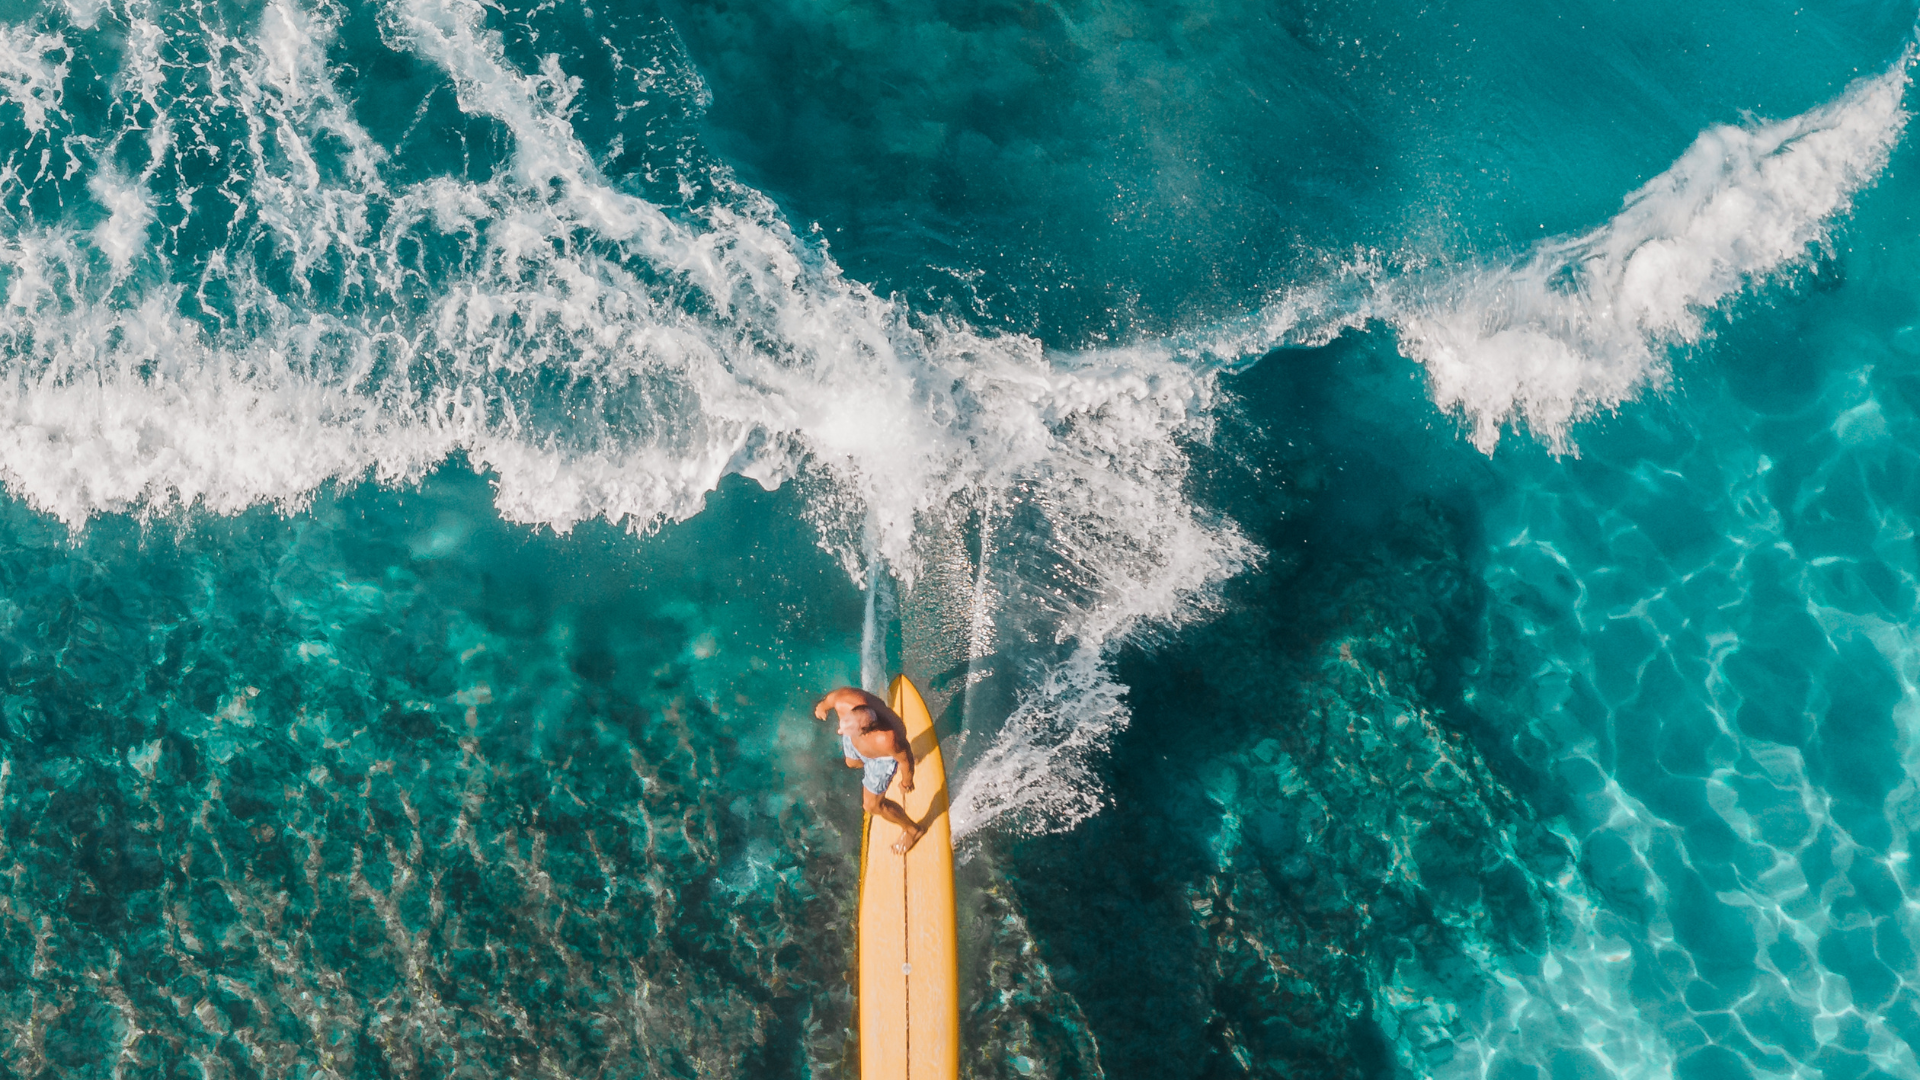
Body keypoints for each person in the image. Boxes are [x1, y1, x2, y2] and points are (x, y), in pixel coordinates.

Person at [815, 686, 924, 853]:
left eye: (844, 729)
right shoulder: (844, 702)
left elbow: (905, 759)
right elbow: (831, 700)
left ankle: (912, 830)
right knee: (851, 762)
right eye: (841, 725)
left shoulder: (888, 739)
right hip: (855, 739)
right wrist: (822, 706)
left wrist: (906, 781)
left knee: (872, 806)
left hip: (881, 760)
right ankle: (876, 780)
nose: (838, 731)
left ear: (867, 731)